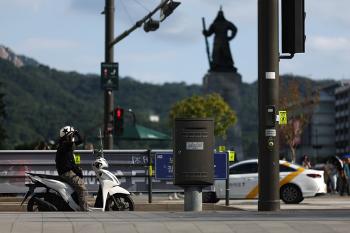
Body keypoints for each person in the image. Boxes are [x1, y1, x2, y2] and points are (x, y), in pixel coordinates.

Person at [55, 126, 88, 211]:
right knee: (81, 187)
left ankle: (78, 204)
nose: (73, 137)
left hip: (67, 171)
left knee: (79, 185)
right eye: (71, 135)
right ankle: (84, 209)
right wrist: (73, 134)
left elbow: (80, 141)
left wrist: (76, 133)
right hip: (66, 172)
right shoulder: (64, 145)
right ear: (67, 136)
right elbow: (71, 143)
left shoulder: (65, 145)